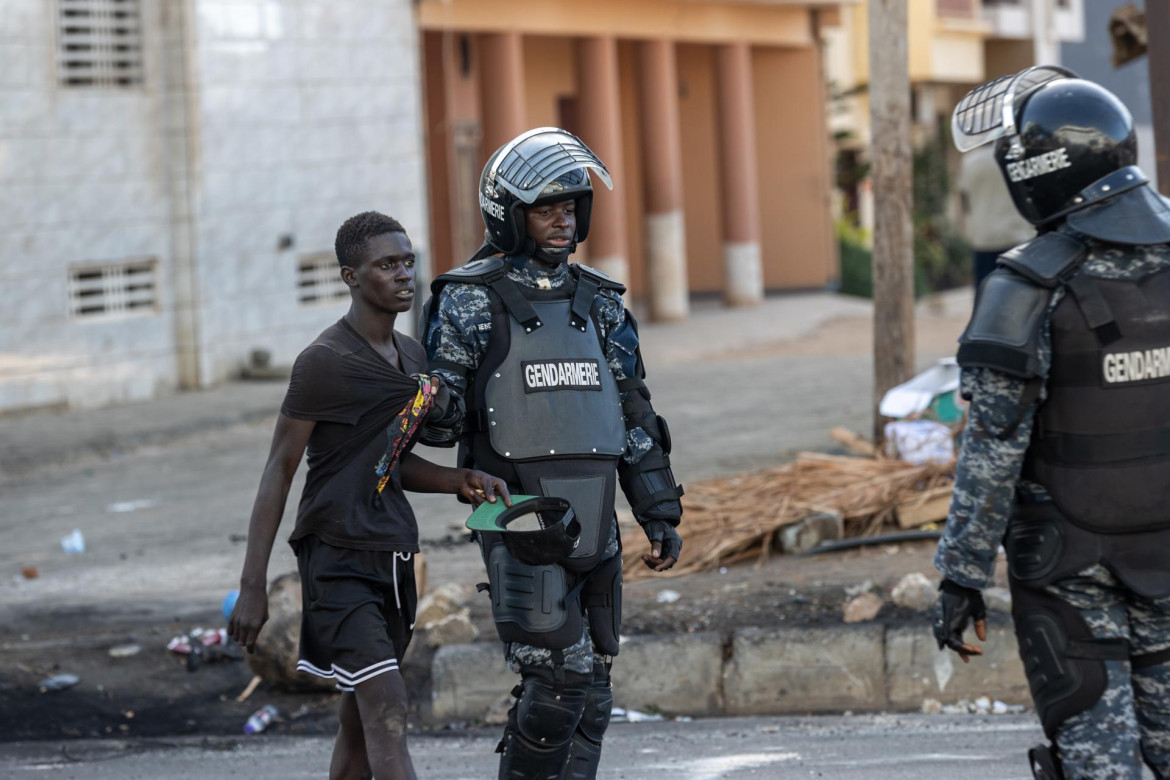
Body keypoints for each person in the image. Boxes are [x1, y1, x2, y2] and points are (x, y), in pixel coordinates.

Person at [419, 127, 685, 779]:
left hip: (595, 518)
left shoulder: (601, 303)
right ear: (510, 217)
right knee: (559, 682)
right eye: (546, 209)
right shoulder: (470, 300)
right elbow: (439, 425)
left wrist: (659, 511)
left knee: (593, 695)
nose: (563, 220)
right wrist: (421, 395)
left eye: (571, 206)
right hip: (517, 517)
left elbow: (633, 412)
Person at [935, 66, 1170, 779]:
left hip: (1073, 566)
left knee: (1101, 767)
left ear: (1037, 174)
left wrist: (960, 575)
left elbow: (991, 452)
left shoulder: (1027, 283)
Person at [227, 211, 509, 780]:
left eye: (408, 261)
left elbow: (390, 462)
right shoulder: (324, 362)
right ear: (349, 277)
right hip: (337, 559)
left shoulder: (412, 358)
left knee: (356, 733)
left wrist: (458, 480)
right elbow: (279, 470)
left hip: (395, 556)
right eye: (387, 264)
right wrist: (251, 586)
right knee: (388, 707)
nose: (404, 274)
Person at [957, 141, 1035, 291]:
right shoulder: (1013, 158)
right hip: (1015, 236)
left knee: (984, 294)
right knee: (1017, 294)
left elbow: (964, 200)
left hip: (983, 238)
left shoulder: (969, 161)